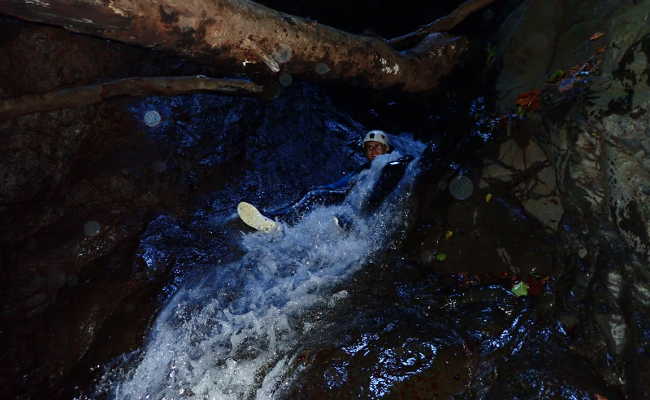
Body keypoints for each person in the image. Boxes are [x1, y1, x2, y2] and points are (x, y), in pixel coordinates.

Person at [237, 130, 412, 232]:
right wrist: (323, 190)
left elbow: (400, 168)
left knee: (317, 196)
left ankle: (279, 222)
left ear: (386, 148)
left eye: (377, 147)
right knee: (316, 194)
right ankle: (278, 220)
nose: (372, 151)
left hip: (365, 209)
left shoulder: (394, 162)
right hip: (353, 202)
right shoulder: (365, 169)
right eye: (369, 148)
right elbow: (338, 186)